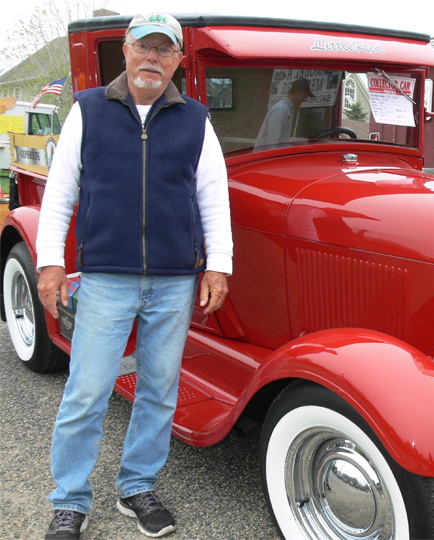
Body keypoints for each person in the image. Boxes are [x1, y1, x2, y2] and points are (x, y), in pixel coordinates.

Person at [36, 12, 233, 540]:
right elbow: (60, 194)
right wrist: (50, 262)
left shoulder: (196, 119)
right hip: (105, 278)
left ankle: (137, 485)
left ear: (176, 59)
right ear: (125, 51)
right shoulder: (88, 111)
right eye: (143, 46)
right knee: (86, 391)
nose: (152, 57)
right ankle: (70, 501)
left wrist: (219, 265)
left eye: (164, 50)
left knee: (159, 391)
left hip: (174, 281)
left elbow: (213, 197)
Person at [254, 77, 314, 148]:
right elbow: (272, 143)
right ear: (300, 93)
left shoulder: (287, 109)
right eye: (305, 97)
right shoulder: (280, 110)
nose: (304, 100)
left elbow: (282, 142)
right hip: (265, 157)